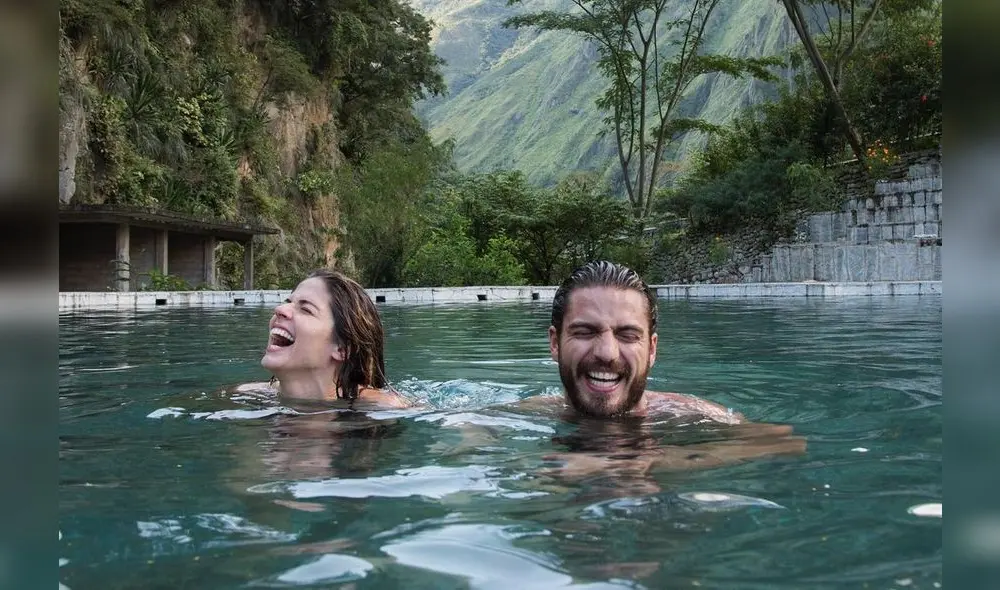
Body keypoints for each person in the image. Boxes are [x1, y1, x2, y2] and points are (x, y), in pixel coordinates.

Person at [237, 269, 412, 409]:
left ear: (342, 349)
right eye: (288, 302)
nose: (280, 309)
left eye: (306, 309)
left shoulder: (384, 407)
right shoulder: (245, 395)